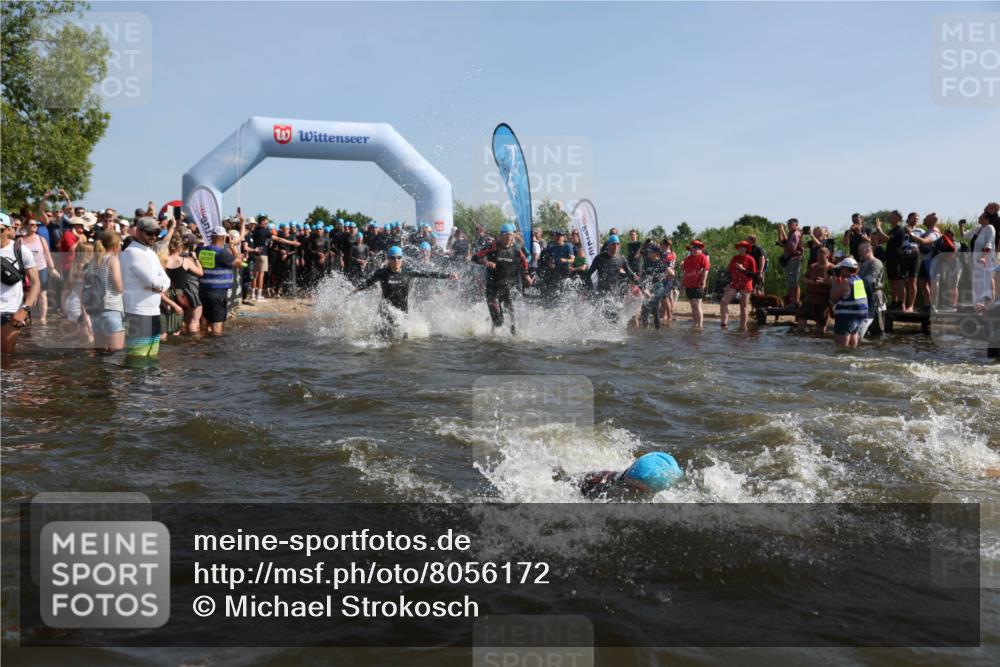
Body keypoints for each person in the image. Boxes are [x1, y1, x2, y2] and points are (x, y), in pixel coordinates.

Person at [353, 245, 457, 338]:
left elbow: (428, 274)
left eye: (399, 258)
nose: (396, 260)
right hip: (385, 312)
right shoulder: (382, 273)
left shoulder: (408, 272)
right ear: (388, 259)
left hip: (402, 314)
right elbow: (368, 283)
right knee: (381, 339)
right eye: (393, 258)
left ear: (402, 259)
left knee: (404, 341)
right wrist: (354, 291)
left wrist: (447, 275)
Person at [121, 217, 171, 357]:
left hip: (153, 311)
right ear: (138, 231)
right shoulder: (133, 253)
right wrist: (159, 285)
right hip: (137, 312)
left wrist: (159, 286)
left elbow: (166, 280)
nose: (153, 237)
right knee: (138, 360)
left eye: (156, 233)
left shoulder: (150, 252)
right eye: (150, 233)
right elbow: (154, 282)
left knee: (152, 357)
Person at [473, 223, 533, 334]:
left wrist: (526, 275)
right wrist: (487, 262)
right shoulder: (493, 247)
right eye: (507, 235)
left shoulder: (516, 249)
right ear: (502, 236)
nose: (510, 238)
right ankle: (492, 339)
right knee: (499, 321)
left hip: (508, 288)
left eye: (511, 235)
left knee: (513, 320)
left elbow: (525, 260)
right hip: (493, 289)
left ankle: (512, 342)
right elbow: (475, 257)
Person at [554, 452, 683, 500]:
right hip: (586, 484)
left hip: (606, 477)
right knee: (565, 481)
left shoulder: (631, 476)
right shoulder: (613, 493)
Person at [1, 212, 41, 355]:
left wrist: (24, 310)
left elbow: (36, 283)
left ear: (8, 229)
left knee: (6, 355)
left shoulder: (20, 251)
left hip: (10, 312)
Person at [197, 225, 244, 335]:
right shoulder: (221, 253)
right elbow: (239, 263)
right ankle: (216, 348)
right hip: (217, 292)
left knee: (206, 323)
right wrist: (233, 246)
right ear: (223, 238)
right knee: (217, 326)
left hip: (203, 290)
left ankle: (205, 346)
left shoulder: (202, 250)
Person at [84, 230, 125, 351]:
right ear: (115, 245)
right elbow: (118, 286)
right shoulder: (112, 260)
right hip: (111, 309)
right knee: (116, 355)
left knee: (100, 355)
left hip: (96, 312)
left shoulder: (93, 262)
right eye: (120, 244)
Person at [19, 215, 59, 325]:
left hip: (41, 268)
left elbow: (47, 253)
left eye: (36, 224)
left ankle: (43, 318)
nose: (34, 226)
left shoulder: (41, 239)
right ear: (26, 226)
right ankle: (27, 316)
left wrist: (52, 268)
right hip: (26, 271)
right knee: (28, 294)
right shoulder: (20, 240)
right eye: (31, 224)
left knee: (42, 293)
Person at [164, 233, 204, 335]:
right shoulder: (184, 261)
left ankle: (170, 346)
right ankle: (188, 344)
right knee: (188, 321)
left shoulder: (163, 260)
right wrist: (195, 259)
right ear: (181, 248)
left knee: (170, 323)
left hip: (167, 294)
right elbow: (200, 272)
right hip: (182, 294)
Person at [829, 256, 869, 348]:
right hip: (857, 318)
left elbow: (833, 299)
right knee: (851, 349)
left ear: (845, 269)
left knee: (841, 349)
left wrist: (835, 281)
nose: (840, 271)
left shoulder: (846, 282)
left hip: (846, 318)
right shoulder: (859, 280)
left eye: (841, 269)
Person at [960, 213, 996, 308]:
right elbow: (964, 236)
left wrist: (983, 257)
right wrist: (961, 225)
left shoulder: (990, 228)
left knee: (985, 282)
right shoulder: (978, 228)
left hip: (986, 260)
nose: (979, 216)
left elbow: (989, 244)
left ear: (986, 218)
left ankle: (987, 305)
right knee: (976, 284)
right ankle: (978, 306)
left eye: (981, 215)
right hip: (976, 261)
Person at [720, 241, 757, 331]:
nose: (741, 248)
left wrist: (743, 269)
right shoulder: (735, 258)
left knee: (743, 307)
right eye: (740, 247)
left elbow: (754, 274)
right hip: (734, 284)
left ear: (747, 249)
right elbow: (729, 271)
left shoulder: (750, 259)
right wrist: (728, 283)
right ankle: (724, 324)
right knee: (723, 301)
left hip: (745, 285)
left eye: (743, 247)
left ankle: (743, 327)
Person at [797, 247, 833, 334]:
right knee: (802, 316)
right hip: (810, 296)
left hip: (823, 298)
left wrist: (824, 282)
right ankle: (800, 336)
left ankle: (819, 339)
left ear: (827, 256)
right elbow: (804, 279)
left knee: (821, 322)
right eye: (818, 255)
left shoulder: (832, 268)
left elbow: (835, 283)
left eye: (821, 256)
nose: (819, 257)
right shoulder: (813, 266)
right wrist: (811, 281)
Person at [910, 213, 941, 311]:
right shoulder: (928, 231)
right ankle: (928, 304)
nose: (924, 219)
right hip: (925, 260)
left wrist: (911, 234)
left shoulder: (934, 232)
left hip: (932, 260)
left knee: (933, 282)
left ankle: (934, 306)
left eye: (926, 218)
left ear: (932, 220)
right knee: (922, 282)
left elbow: (924, 242)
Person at [856, 241, 886, 339]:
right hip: (864, 296)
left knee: (877, 328)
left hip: (875, 297)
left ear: (868, 250)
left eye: (861, 251)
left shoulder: (876, 263)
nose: (859, 253)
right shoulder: (864, 264)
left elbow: (869, 281)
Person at [680, 239, 710, 329]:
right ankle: (695, 324)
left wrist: (702, 283)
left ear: (700, 249)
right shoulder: (687, 259)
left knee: (697, 305)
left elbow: (706, 270)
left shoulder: (703, 257)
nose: (695, 249)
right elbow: (684, 273)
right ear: (691, 248)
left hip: (698, 284)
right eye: (693, 247)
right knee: (693, 305)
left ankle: (700, 326)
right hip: (689, 284)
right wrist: (682, 285)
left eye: (697, 247)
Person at [777, 218, 803, 306]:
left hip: (794, 259)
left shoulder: (795, 234)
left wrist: (785, 245)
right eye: (788, 223)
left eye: (791, 223)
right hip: (790, 259)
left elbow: (792, 248)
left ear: (796, 225)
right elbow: (782, 242)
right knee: (791, 281)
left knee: (794, 281)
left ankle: (796, 301)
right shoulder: (791, 233)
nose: (789, 225)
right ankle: (793, 301)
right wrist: (780, 230)